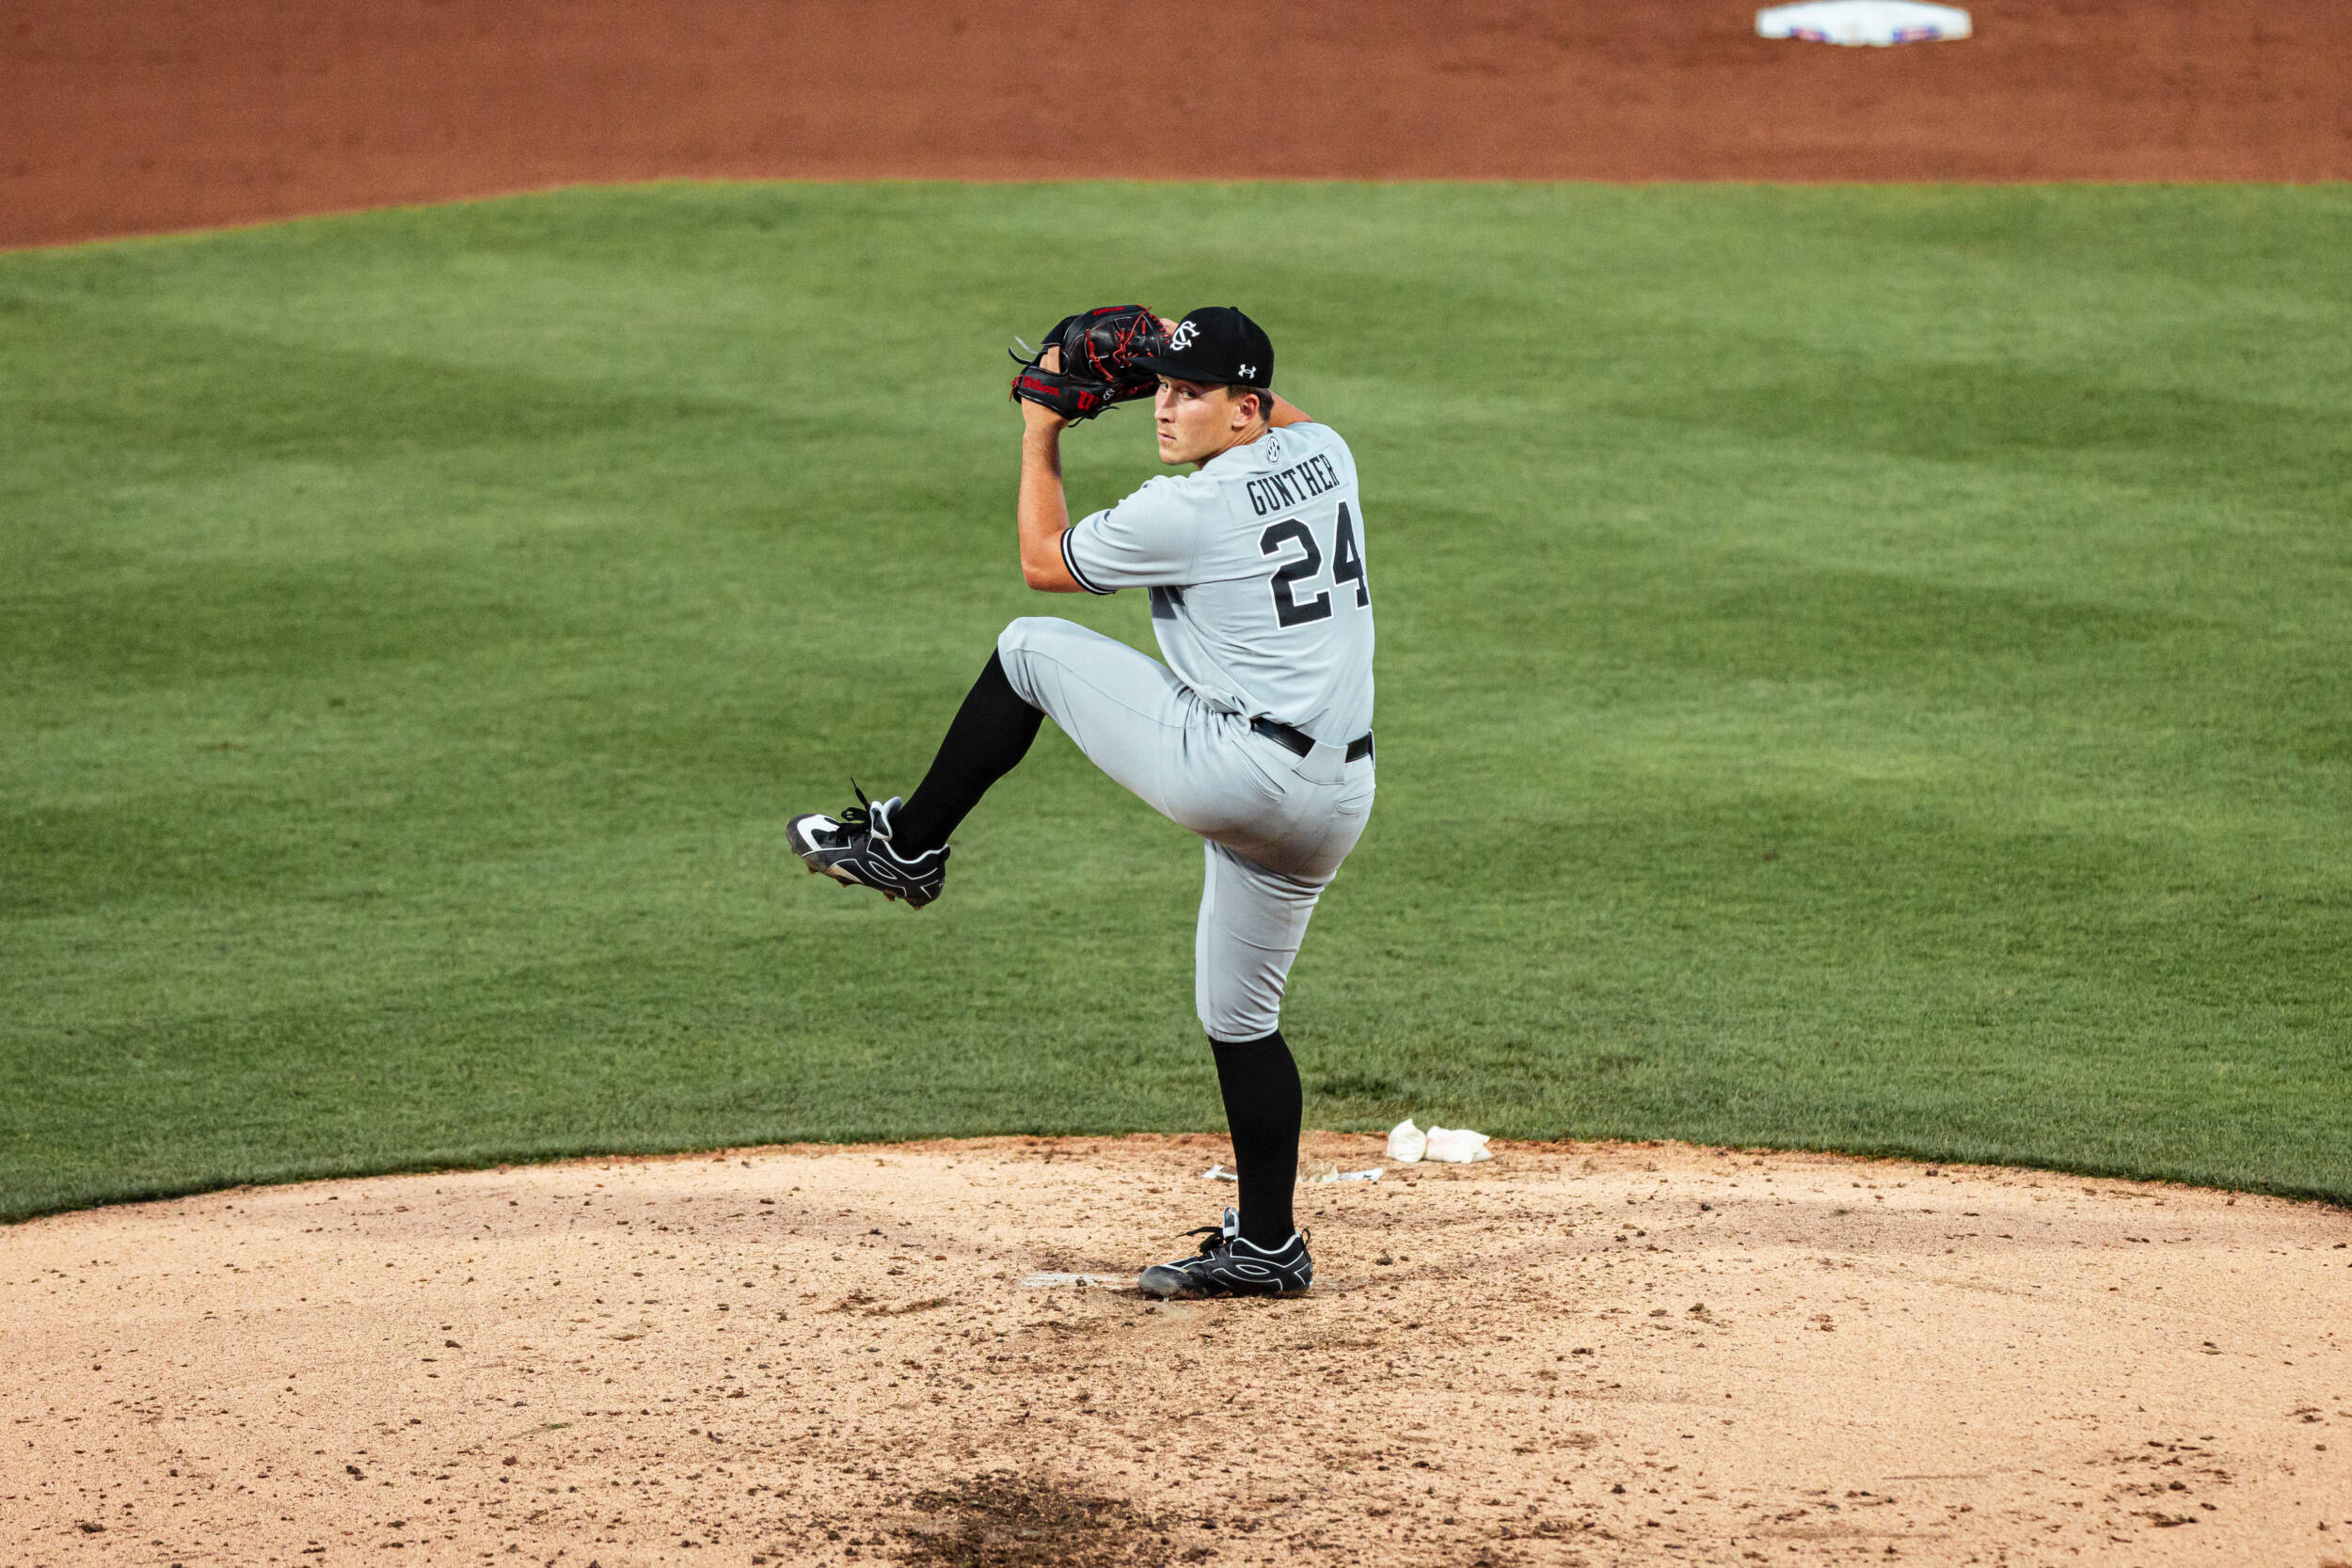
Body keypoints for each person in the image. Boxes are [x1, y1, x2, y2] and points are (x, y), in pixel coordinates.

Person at [787, 306, 1375, 1297]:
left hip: (1238, 771)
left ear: (1243, 410)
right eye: (1163, 387)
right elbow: (1282, 412)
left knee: (1026, 648)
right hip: (1336, 799)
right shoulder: (1328, 450)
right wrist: (1171, 348)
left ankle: (908, 846)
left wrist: (1040, 427)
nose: (1164, 406)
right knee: (1240, 1016)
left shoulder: (1181, 509)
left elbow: (1043, 557)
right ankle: (1267, 1244)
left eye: (1191, 393)